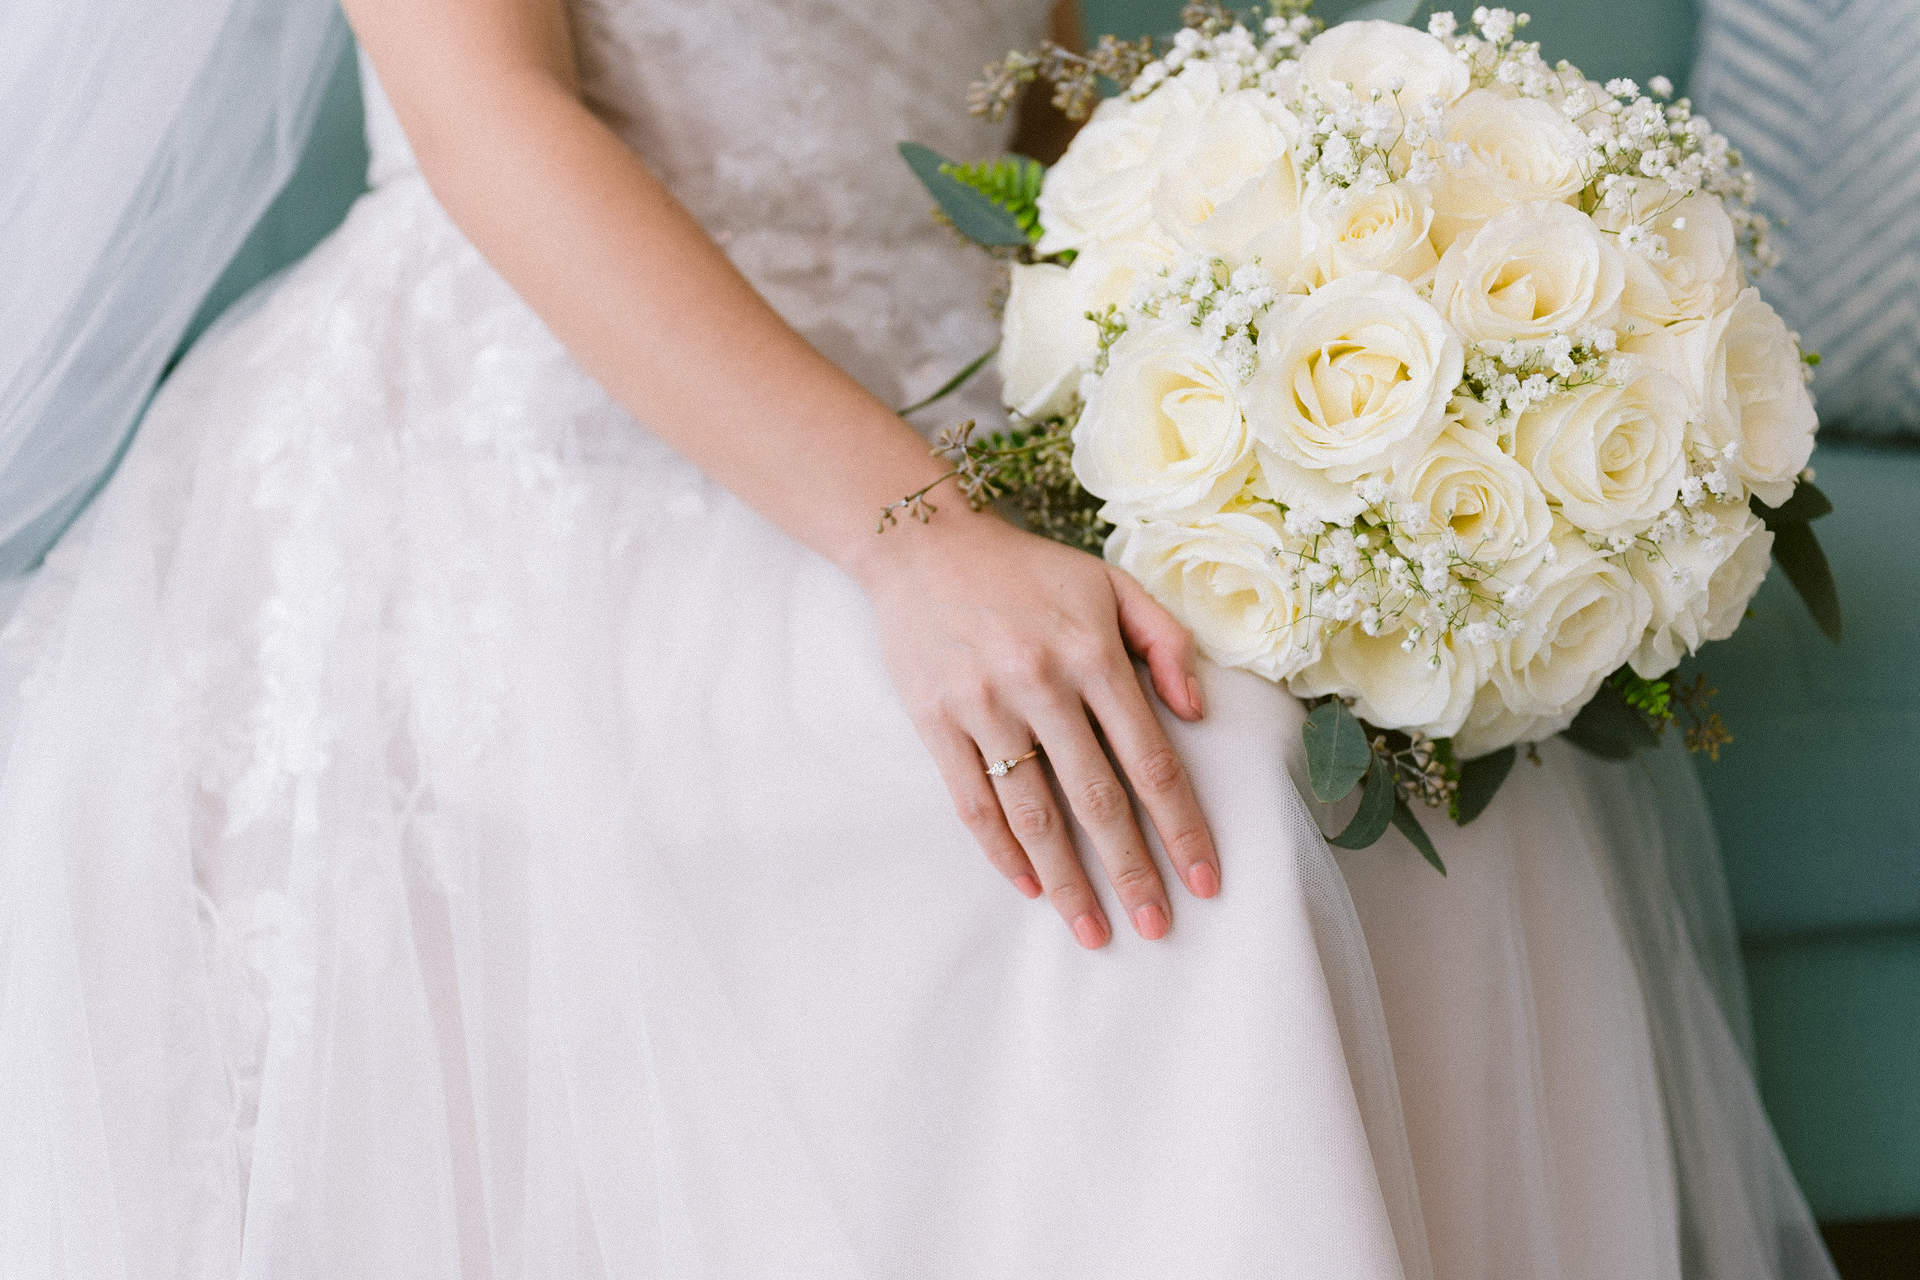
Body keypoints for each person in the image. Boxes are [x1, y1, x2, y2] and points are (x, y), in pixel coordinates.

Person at [0, 0, 1836, 1276]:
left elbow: (1060, 96)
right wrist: (916, 539)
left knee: (1397, 711)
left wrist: (1278, 324)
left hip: (959, 352)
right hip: (545, 402)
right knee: (1191, 785)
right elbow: (496, 120)